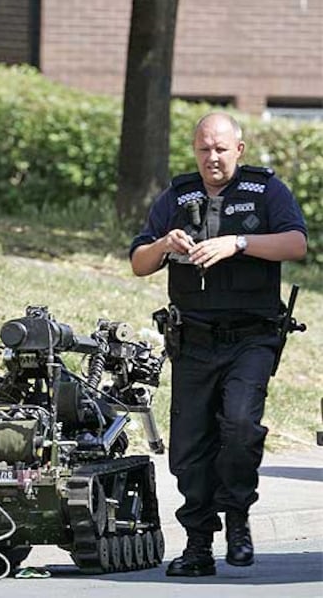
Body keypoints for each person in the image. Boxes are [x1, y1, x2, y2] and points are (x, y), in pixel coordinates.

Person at [129, 112, 307, 577]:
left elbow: (295, 244)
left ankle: (239, 517)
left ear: (239, 150)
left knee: (241, 426)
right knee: (190, 448)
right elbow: (138, 262)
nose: (212, 157)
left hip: (251, 337)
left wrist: (238, 243)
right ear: (195, 150)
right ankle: (197, 545)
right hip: (193, 340)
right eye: (204, 149)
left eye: (221, 149)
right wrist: (165, 244)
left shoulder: (267, 191)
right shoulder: (176, 195)